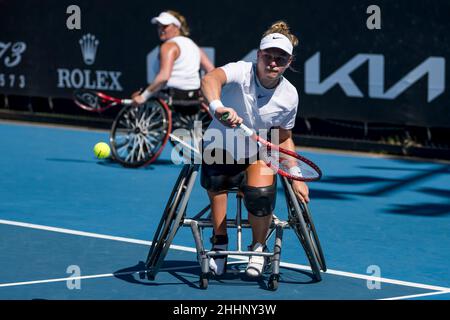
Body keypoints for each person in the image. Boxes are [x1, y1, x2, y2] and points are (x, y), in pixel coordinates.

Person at [200, 21, 309, 278]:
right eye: (268, 56)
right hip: (219, 144)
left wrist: (296, 175)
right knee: (218, 179)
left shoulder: (289, 95)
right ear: (258, 55)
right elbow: (210, 78)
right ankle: (220, 241)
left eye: (280, 59)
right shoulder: (240, 71)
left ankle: (258, 247)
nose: (273, 62)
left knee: (260, 195)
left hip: (255, 152)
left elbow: (283, 139)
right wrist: (218, 107)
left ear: (289, 62)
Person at [132, 10, 214, 107]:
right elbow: (211, 70)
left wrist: (143, 97)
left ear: (177, 27)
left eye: (165, 26)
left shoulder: (168, 46)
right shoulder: (193, 45)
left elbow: (164, 77)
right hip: (193, 97)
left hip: (172, 96)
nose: (161, 29)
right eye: (159, 26)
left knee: (136, 95)